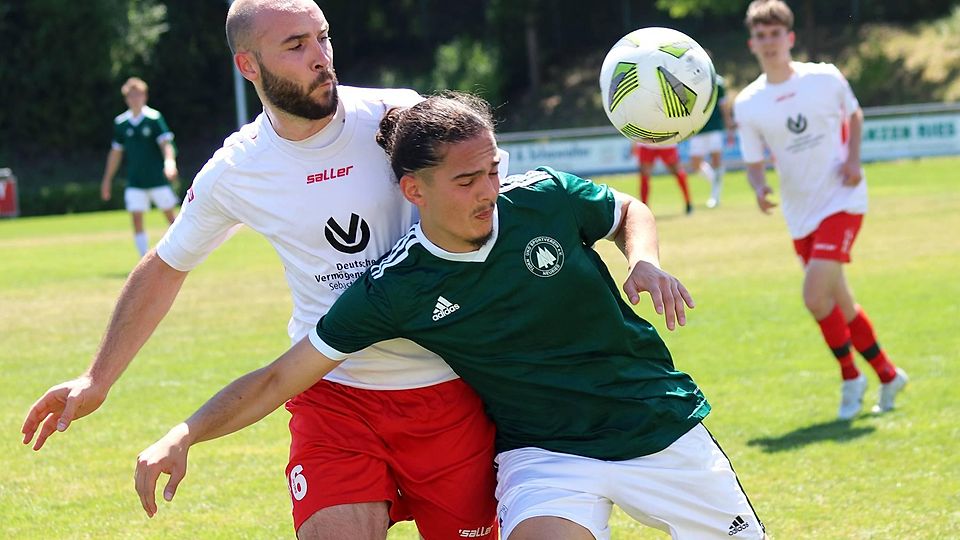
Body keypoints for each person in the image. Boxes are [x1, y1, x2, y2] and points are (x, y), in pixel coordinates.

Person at [135, 93, 767, 540]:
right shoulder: (398, 289)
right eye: (467, 180)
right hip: (547, 455)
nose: (489, 190)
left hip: (655, 422)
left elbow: (628, 211)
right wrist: (185, 432)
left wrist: (645, 262)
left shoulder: (543, 197)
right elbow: (280, 378)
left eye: (493, 170)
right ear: (415, 191)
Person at [22, 1, 500, 538]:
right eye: (296, 46)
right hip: (331, 393)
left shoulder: (401, 117)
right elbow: (165, 266)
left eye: (322, 38)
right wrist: (96, 377)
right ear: (248, 66)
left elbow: (499, 205)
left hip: (447, 388)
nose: (321, 57)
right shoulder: (238, 170)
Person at [733, 0, 907, 420]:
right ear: (751, 43)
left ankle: (851, 377)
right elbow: (754, 162)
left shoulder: (825, 77)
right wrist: (759, 188)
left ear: (789, 38)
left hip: (843, 199)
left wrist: (853, 161)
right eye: (762, 35)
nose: (769, 42)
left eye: (776, 34)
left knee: (814, 295)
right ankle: (887, 374)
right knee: (838, 301)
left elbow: (855, 115)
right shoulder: (749, 103)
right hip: (800, 212)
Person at [100, 77, 180, 257]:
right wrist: (107, 179)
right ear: (126, 98)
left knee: (171, 218)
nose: (134, 99)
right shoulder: (121, 123)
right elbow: (115, 153)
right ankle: (143, 258)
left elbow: (166, 144)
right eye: (131, 95)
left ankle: (181, 253)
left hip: (156, 179)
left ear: (145, 96)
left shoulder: (154, 118)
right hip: (135, 180)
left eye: (138, 95)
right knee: (136, 218)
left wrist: (170, 163)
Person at [686, 66, 735, 209]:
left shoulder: (718, 83)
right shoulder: (690, 81)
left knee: (716, 160)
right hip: (698, 128)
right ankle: (715, 180)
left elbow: (723, 105)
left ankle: (715, 196)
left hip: (715, 127)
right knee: (695, 164)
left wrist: (728, 122)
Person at [632, 142, 693, 215]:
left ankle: (688, 202)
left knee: (678, 172)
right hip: (648, 143)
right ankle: (644, 208)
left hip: (665, 142)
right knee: (644, 175)